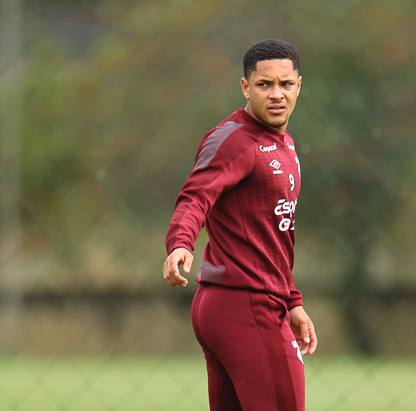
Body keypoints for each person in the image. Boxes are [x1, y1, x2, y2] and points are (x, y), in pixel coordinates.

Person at [163, 39, 317, 411]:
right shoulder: (234, 139)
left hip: (246, 301)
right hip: (245, 304)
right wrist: (180, 243)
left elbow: (271, 235)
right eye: (264, 84)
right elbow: (195, 196)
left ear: (299, 85)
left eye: (286, 84)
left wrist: (292, 301)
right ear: (246, 87)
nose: (277, 94)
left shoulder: (284, 143)